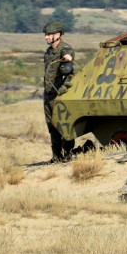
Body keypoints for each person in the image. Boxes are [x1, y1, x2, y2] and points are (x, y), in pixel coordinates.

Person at [42, 21, 75, 162]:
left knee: (63, 125)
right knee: (51, 126)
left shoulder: (64, 48)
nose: (46, 37)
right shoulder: (49, 52)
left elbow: (69, 57)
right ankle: (56, 156)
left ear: (58, 35)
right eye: (45, 35)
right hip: (48, 94)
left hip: (60, 94)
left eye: (49, 35)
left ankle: (68, 155)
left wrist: (68, 58)